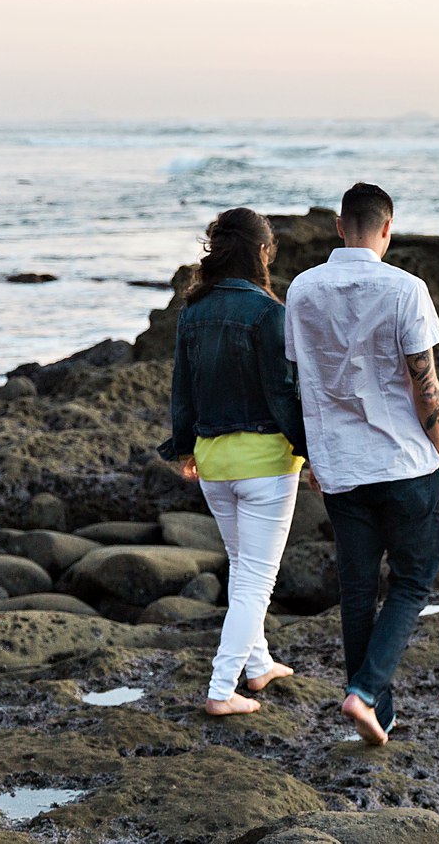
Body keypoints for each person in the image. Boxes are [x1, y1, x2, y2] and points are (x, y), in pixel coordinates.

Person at [284, 182, 439, 746]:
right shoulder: (407, 288)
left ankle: (377, 713)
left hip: (341, 466)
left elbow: (298, 378)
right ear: (387, 229)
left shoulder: (303, 290)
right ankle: (366, 692)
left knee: (357, 590)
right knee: (410, 584)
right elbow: (424, 382)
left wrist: (308, 453)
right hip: (407, 460)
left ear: (339, 226)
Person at [162, 207, 307, 717]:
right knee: (256, 579)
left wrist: (184, 448)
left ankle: (259, 665)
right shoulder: (270, 312)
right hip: (266, 462)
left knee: (244, 567)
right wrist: (310, 451)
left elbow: (184, 389)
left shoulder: (193, 310)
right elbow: (284, 393)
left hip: (213, 464)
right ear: (261, 252)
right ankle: (222, 688)